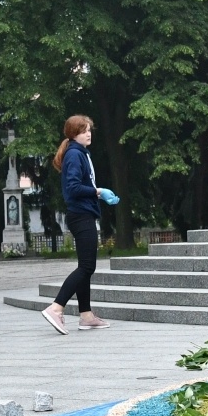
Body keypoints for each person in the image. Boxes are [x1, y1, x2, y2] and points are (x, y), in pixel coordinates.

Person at [42, 115, 119, 334]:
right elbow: (73, 188)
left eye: (89, 130)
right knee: (87, 266)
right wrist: (97, 191)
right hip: (81, 216)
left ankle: (86, 316)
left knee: (85, 267)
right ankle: (56, 308)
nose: (89, 133)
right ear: (74, 134)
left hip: (83, 215)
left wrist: (98, 194)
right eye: (84, 130)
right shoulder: (75, 154)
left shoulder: (79, 153)